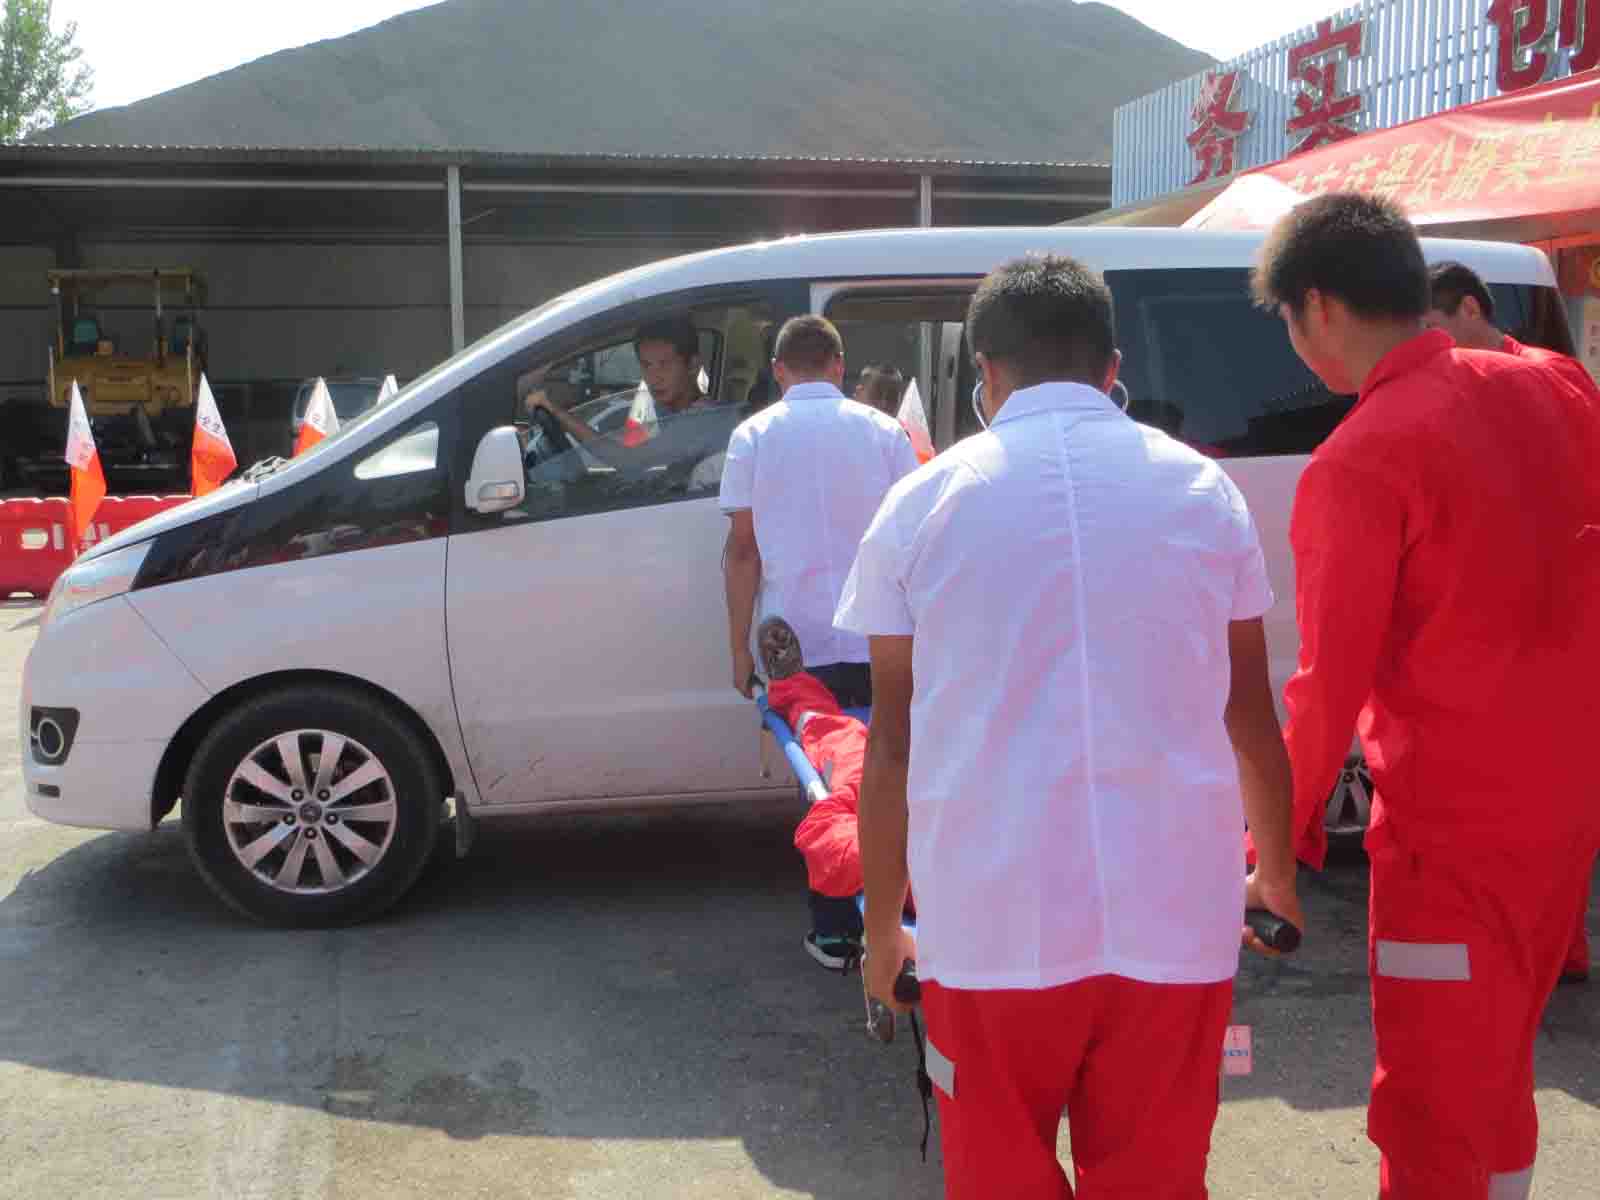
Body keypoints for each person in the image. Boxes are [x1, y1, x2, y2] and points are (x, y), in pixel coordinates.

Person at [839, 253, 1303, 1198]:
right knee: (1155, 1181)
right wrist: (1277, 877)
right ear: (1112, 366)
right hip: (1175, 916)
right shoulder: (1204, 492)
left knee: (998, 1177)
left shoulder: (920, 504)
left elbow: (892, 743)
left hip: (991, 926)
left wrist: (883, 928)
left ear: (985, 373)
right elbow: (1252, 713)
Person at [1252, 192, 1600, 1199]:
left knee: (1431, 1097)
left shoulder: (1364, 455)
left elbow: (1327, 685)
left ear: (1319, 306)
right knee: (1497, 1061)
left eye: (1287, 320)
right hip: (1566, 810)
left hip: (1451, 835)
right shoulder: (1558, 386)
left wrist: (1277, 851)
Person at [720, 315, 919, 965]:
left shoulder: (752, 436)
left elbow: (743, 551)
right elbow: (911, 541)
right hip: (878, 635)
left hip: (796, 644)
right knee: (892, 772)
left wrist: (738, 649)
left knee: (824, 783)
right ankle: (906, 910)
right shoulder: (885, 433)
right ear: (839, 365)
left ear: (778, 371)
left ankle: (836, 929)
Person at [1426, 260, 1596, 986]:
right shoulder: (1493, 379)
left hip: (1553, 610)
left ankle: (1556, 950)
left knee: (1550, 798)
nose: (1429, 345)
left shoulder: (1549, 374)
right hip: (1508, 609)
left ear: (1470, 308)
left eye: (1434, 327)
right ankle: (1548, 947)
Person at [528, 315, 711, 444]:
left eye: (664, 365)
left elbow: (626, 459)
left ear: (692, 365)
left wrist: (554, 410)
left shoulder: (701, 418)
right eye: (646, 365)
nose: (654, 378)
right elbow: (628, 446)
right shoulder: (671, 414)